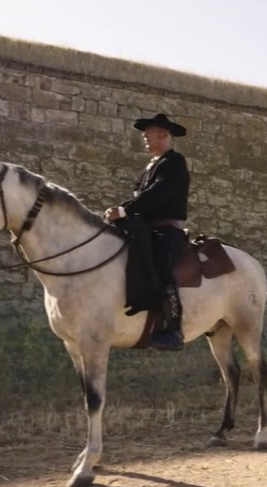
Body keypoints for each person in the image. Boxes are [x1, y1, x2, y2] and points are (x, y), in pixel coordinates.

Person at [104, 113, 190, 350]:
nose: (144, 136)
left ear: (163, 135)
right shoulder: (151, 166)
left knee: (162, 271)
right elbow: (141, 198)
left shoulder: (174, 162)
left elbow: (158, 194)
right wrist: (121, 210)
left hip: (166, 232)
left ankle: (173, 331)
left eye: (148, 133)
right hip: (145, 230)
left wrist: (124, 210)